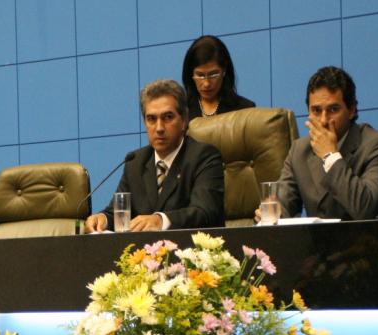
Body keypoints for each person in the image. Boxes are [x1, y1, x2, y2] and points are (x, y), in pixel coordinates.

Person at [85, 79, 225, 233]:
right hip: (143, 255)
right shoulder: (135, 162)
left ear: (184, 120)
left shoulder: (204, 157)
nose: (159, 128)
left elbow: (204, 212)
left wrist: (160, 220)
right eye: (151, 119)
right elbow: (118, 213)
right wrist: (102, 219)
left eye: (167, 117)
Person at [264, 66, 378, 221]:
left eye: (333, 109)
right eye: (316, 110)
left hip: (365, 242)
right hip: (314, 244)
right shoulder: (299, 150)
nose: (324, 120)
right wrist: (273, 214)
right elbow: (282, 206)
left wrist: (330, 156)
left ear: (351, 110)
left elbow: (364, 208)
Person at [182, 35, 255, 119]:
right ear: (191, 74)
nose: (207, 83)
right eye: (200, 75)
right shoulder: (181, 110)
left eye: (213, 74)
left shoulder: (244, 109)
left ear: (224, 70)